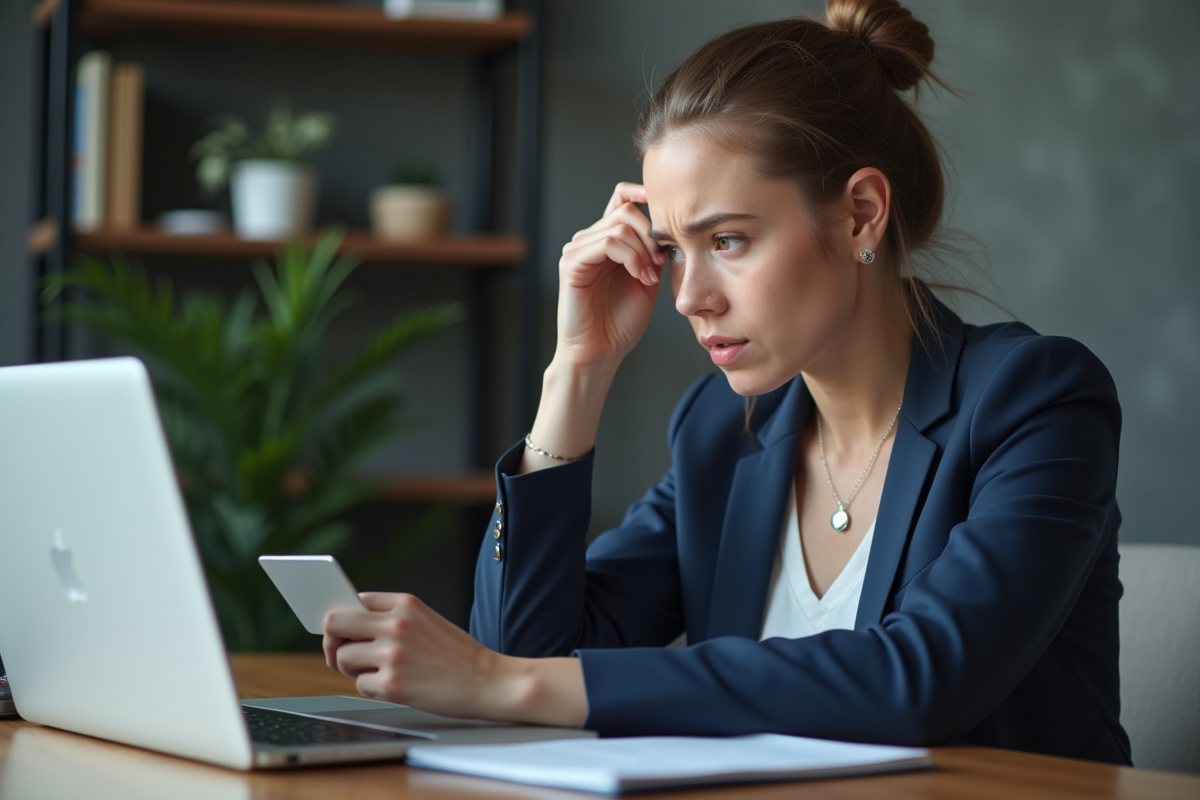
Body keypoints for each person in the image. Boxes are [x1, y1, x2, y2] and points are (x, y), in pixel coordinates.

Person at [324, 0, 1130, 765]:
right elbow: (522, 651)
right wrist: (578, 370)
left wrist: (497, 682)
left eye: (731, 240)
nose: (688, 296)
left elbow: (919, 683)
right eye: (674, 248)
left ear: (860, 214)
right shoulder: (721, 427)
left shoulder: (1037, 399)